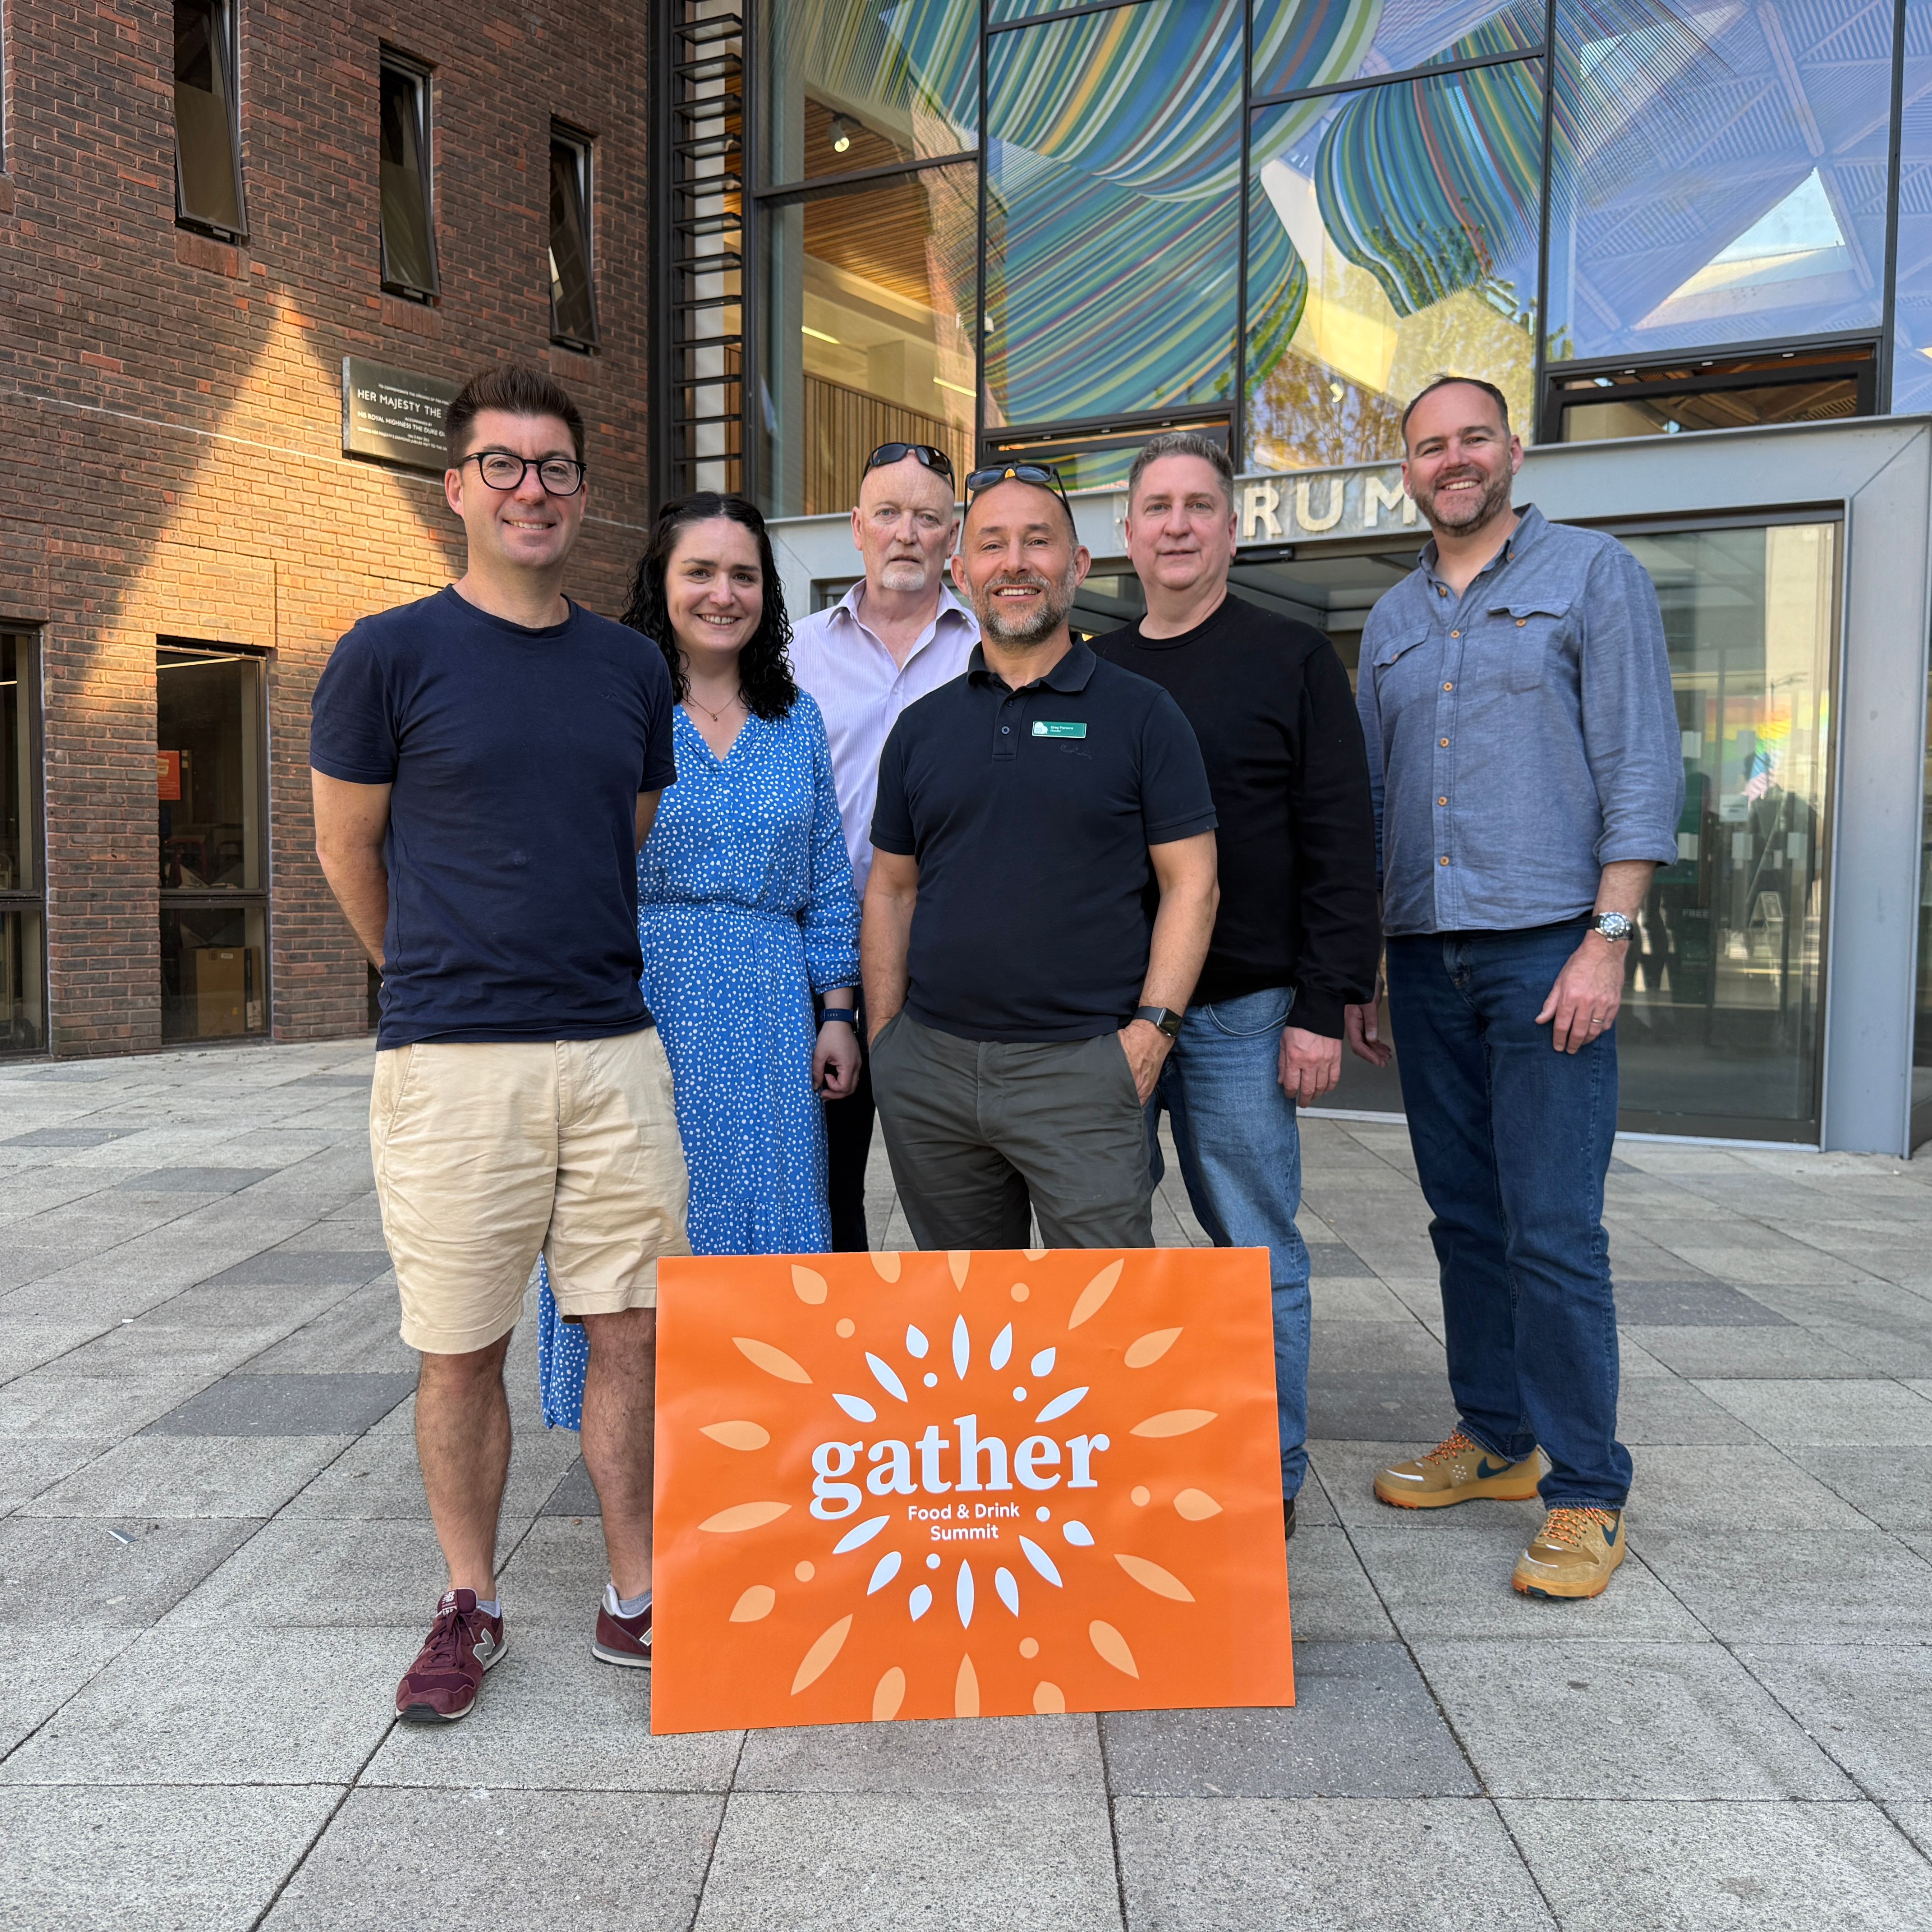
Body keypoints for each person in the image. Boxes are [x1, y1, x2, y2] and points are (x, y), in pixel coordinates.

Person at [310, 363, 689, 1722]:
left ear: (583, 494)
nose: (534, 489)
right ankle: (467, 1601)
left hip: (611, 1050)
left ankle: (633, 1591)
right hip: (452, 1056)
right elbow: (347, 849)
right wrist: (430, 968)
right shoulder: (386, 652)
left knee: (633, 1334)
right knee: (459, 1346)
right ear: (456, 486)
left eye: (558, 468)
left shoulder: (631, 666)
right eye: (506, 465)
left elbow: (623, 830)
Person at [1350, 374, 1683, 1600]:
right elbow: (1376, 802)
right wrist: (1370, 961)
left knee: (1551, 1224)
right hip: (1424, 954)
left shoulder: (1595, 577)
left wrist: (1608, 935)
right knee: (1460, 1215)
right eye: (1429, 446)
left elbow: (1640, 762)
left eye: (1471, 438)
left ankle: (1586, 1487)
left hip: (1548, 947)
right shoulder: (1388, 617)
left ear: (1512, 450)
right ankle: (1493, 1434)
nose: (1452, 460)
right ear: (1408, 471)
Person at [1093, 432, 1379, 1538]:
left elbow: (1342, 836)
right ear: (1126, 533)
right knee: (1105, 1245)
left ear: (1231, 524)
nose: (1175, 525)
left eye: (1198, 505)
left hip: (1246, 1011)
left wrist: (1324, 1002)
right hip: (1110, 1017)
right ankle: (1119, 1462)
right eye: (1156, 506)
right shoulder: (1095, 668)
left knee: (1255, 1244)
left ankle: (1271, 1476)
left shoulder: (1294, 659)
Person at [536, 495, 861, 1426]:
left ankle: (763, 1423)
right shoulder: (616, 701)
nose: (725, 593)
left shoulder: (795, 719)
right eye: (701, 572)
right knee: (642, 1212)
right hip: (642, 996)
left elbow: (827, 877)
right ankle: (649, 1428)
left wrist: (838, 1011)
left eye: (745, 575)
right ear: (661, 584)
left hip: (768, 1005)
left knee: (765, 1207)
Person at [862, 461, 1220, 1249]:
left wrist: (1152, 1032)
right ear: (962, 570)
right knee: (968, 1326)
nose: (1015, 563)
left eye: (1038, 542)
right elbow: (890, 890)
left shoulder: (1144, 715)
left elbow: (1193, 883)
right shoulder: (921, 729)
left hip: (1084, 1074)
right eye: (992, 545)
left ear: (1079, 564)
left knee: (1105, 1324)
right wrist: (888, 1044)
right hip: (934, 1073)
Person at [790, 443, 979, 1251]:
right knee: (827, 1186)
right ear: (858, 529)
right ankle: (839, 1358)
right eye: (890, 515)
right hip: (818, 962)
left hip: (950, 959)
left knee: (958, 1187)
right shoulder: (792, 655)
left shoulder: (989, 654)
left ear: (953, 536)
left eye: (928, 517)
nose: (908, 534)